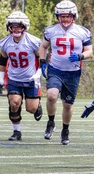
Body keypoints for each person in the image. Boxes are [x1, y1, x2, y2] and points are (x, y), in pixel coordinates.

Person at [38, 0, 93, 145]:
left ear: (74, 16)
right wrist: (42, 62)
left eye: (68, 16)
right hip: (55, 69)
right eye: (62, 16)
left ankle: (65, 130)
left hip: (73, 72)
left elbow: (90, 52)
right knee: (51, 95)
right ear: (57, 17)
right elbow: (43, 47)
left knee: (68, 105)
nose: (65, 19)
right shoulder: (51, 31)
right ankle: (50, 122)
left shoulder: (82, 32)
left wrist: (81, 56)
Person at [0, 11, 43, 141]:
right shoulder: (5, 42)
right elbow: (2, 60)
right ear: (9, 27)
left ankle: (37, 106)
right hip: (14, 78)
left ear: (24, 26)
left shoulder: (33, 41)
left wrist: (38, 74)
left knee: (31, 109)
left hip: (31, 78)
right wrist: (0, 79)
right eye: (13, 26)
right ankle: (16, 132)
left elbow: (43, 59)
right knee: (14, 103)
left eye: (19, 26)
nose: (16, 29)